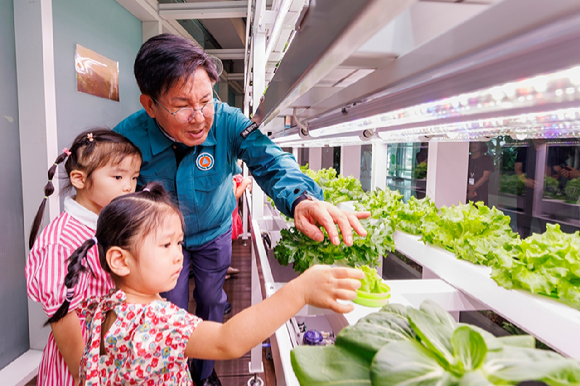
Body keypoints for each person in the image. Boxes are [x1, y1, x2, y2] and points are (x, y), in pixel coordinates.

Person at [113, 34, 369, 385]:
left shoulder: (228, 121)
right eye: (183, 105)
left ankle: (203, 375)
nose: (199, 117)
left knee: (211, 300)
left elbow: (270, 161)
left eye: (206, 100)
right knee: (166, 305)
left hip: (214, 230)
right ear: (150, 104)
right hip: (157, 242)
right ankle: (170, 376)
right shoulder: (126, 140)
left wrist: (301, 199)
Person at [48, 183, 363, 385]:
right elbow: (227, 340)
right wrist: (300, 290)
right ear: (120, 260)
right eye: (165, 246)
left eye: (179, 244)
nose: (178, 256)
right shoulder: (157, 320)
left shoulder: (102, 305)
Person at [25, 129, 142, 386]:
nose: (128, 186)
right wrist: (82, 373)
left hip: (111, 348)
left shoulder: (106, 225)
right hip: (82, 360)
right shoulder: (61, 241)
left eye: (134, 177)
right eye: (118, 176)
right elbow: (62, 314)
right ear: (79, 179)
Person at [466, 142, 494, 207]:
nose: (473, 145)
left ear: (481, 144)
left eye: (475, 143)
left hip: (481, 192)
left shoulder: (487, 159)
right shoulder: (466, 158)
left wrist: (472, 189)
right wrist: (468, 188)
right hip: (465, 191)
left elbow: (485, 177)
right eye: (471, 143)